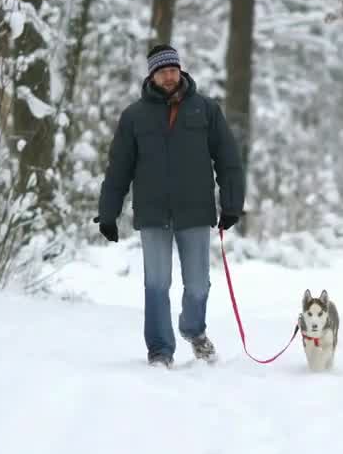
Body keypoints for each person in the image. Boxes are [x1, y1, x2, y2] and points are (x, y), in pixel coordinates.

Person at [96, 43, 246, 368]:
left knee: (196, 284)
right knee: (156, 283)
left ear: (180, 71)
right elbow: (119, 168)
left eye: (173, 70)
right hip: (153, 213)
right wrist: (108, 213)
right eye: (163, 71)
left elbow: (228, 160)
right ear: (152, 75)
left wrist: (232, 205)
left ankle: (194, 329)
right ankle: (160, 351)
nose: (169, 76)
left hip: (195, 211)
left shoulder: (206, 110)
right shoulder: (134, 116)